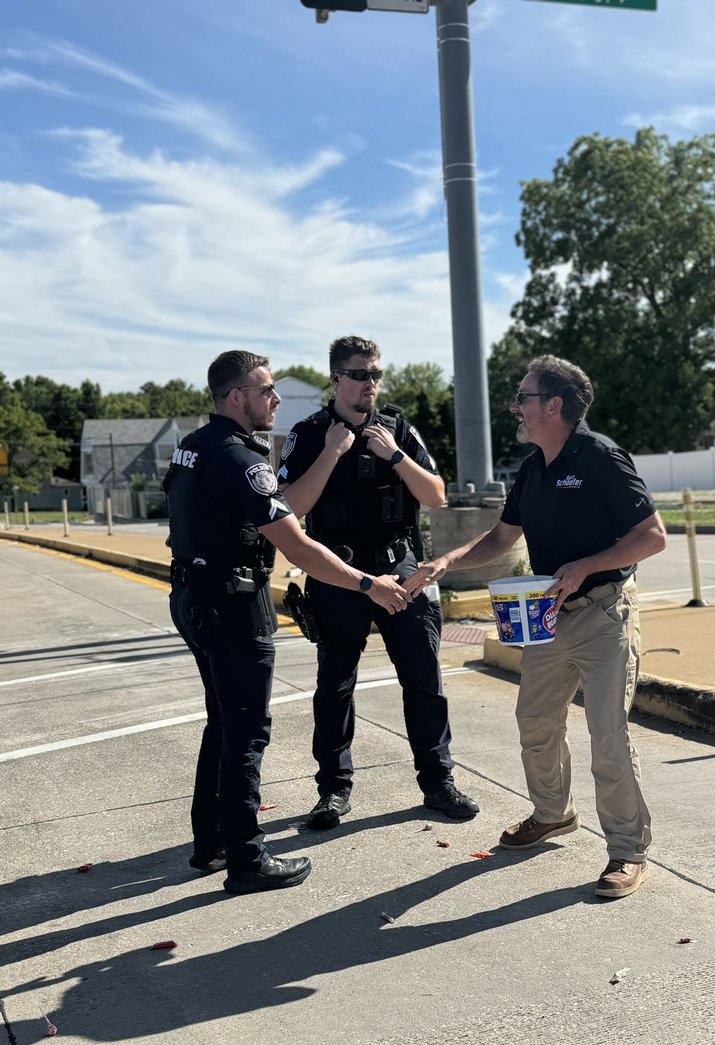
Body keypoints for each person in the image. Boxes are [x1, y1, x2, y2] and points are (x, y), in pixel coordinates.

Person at [406, 355, 666, 900]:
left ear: (554, 405)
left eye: (523, 398)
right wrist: (447, 561)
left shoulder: (600, 458)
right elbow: (503, 538)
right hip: (549, 616)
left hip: (602, 612)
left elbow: (652, 536)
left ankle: (627, 851)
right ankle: (553, 814)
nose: (515, 408)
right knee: (535, 722)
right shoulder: (532, 468)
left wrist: (587, 565)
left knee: (608, 737)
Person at [164, 350, 409, 895]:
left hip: (193, 597)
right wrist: (369, 584)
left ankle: (211, 843)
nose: (275, 398)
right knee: (247, 731)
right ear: (236, 398)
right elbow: (298, 545)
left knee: (222, 724)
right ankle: (246, 860)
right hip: (231, 606)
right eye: (265, 389)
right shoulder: (238, 459)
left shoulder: (192, 447)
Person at [277, 335, 479, 830]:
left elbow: (436, 496)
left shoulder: (398, 430)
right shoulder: (309, 433)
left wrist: (394, 456)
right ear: (336, 379)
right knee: (335, 686)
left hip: (400, 569)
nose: (371, 383)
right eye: (360, 374)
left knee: (423, 680)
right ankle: (333, 790)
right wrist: (331, 452)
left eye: (376, 374)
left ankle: (438, 783)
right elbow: (291, 508)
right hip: (339, 574)